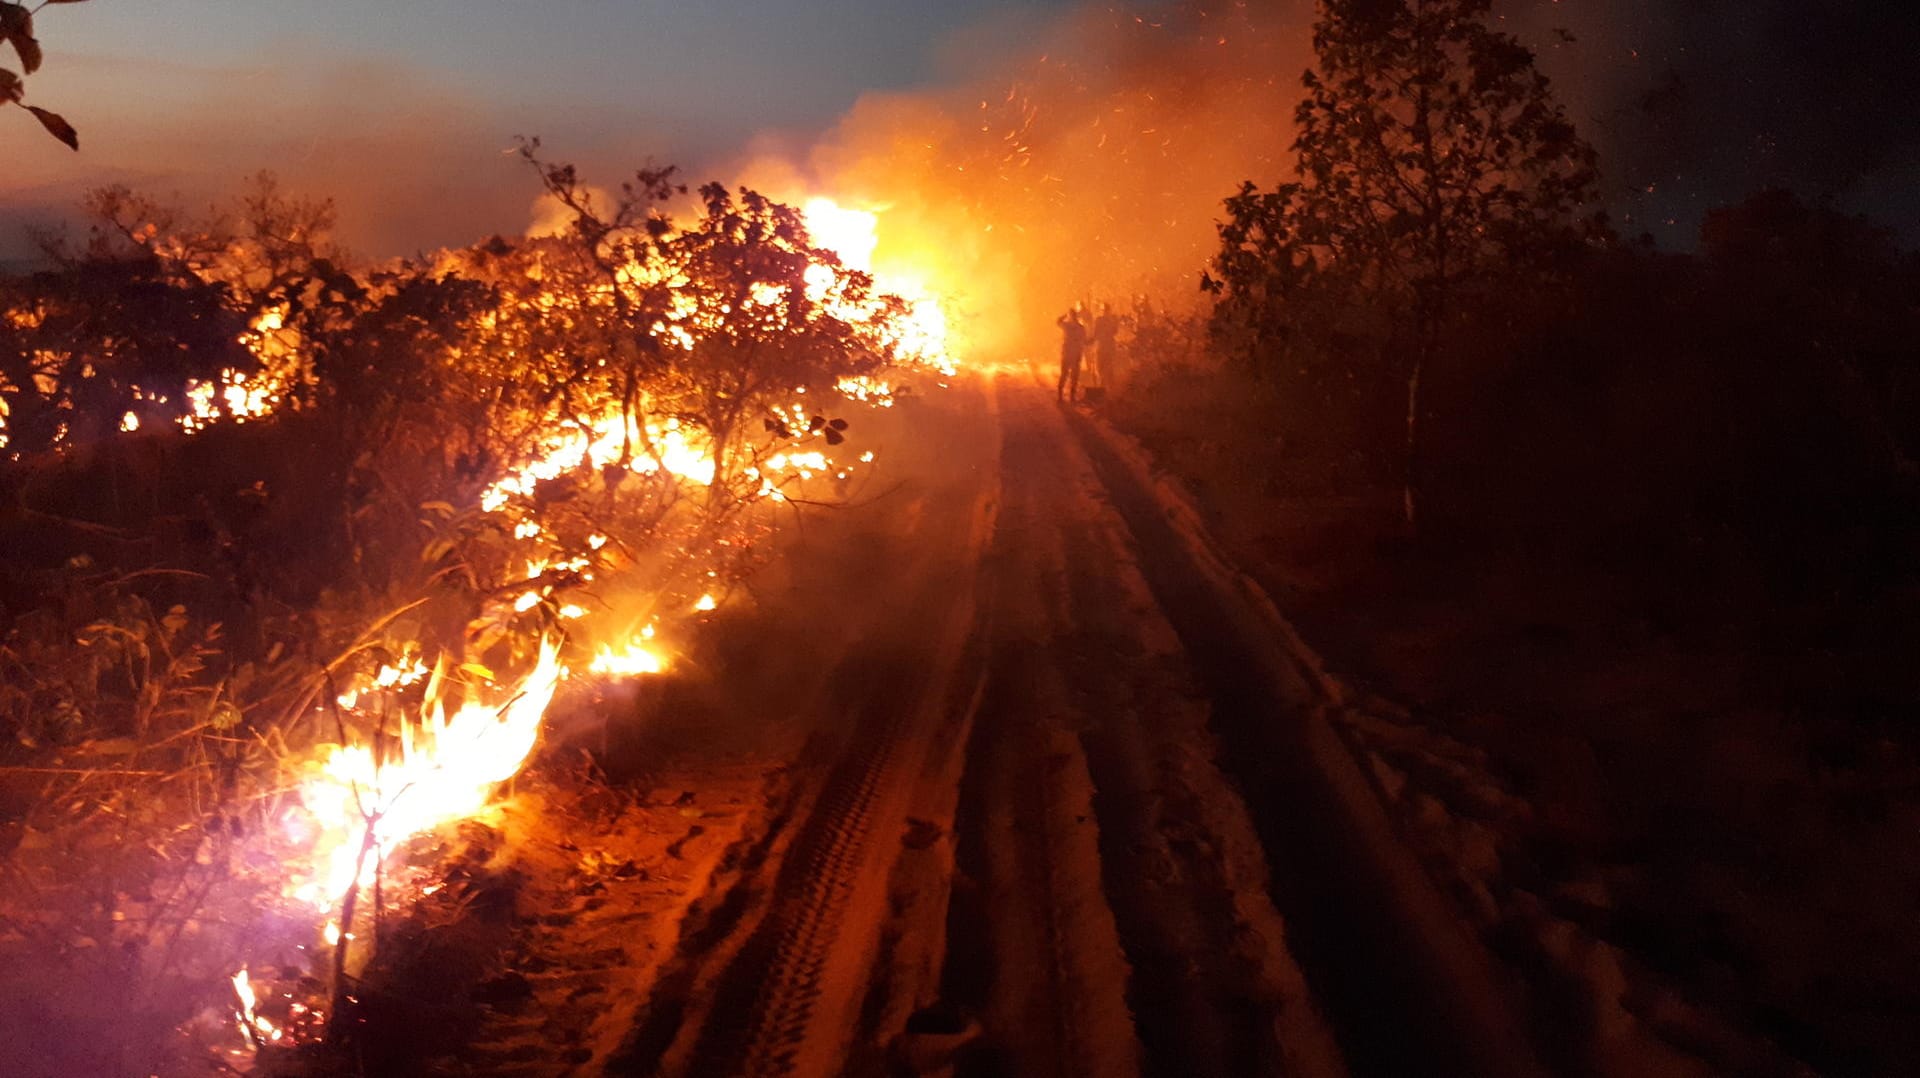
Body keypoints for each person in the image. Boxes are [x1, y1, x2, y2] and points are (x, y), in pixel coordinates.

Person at [1056, 307, 1086, 402]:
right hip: (1074, 354)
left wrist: (1065, 314)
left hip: (1069, 354)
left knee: (1066, 375)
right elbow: (1084, 341)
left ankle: (1062, 396)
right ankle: (1070, 396)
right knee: (1073, 376)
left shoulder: (1067, 326)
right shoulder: (1080, 327)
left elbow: (1058, 321)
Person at [1091, 303, 1120, 392]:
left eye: (1104, 310)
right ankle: (1109, 391)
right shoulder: (1111, 320)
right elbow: (1115, 331)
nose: (1104, 312)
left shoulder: (1099, 320)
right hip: (1105, 347)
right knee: (1106, 370)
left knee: (1102, 370)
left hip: (1103, 348)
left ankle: (1104, 391)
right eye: (1103, 310)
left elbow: (1095, 334)